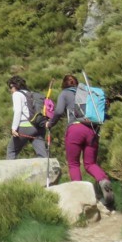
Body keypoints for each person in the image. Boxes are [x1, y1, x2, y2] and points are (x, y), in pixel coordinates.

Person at [46, 74, 114, 209]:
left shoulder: (65, 93)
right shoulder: (87, 92)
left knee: (73, 164)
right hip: (92, 130)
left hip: (75, 129)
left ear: (64, 85)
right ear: (77, 84)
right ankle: (103, 180)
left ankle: (81, 196)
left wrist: (50, 124)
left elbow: (59, 111)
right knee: (90, 163)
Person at [6, 76, 48, 159]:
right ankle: (47, 170)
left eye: (10, 88)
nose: (10, 91)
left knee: (11, 150)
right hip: (39, 126)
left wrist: (14, 128)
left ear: (13, 86)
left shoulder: (17, 94)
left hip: (25, 126)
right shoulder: (31, 94)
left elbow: (18, 111)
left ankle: (10, 171)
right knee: (42, 154)